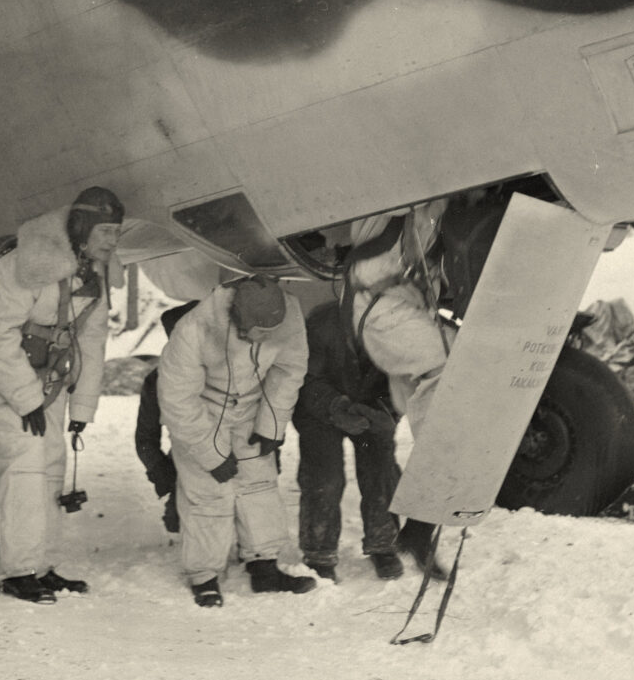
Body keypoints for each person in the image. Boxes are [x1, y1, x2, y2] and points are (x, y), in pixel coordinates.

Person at [0, 186, 124, 603]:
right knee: (26, 465)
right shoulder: (22, 268)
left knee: (50, 467)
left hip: (45, 385)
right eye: (105, 231)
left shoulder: (91, 277)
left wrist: (82, 407)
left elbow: (92, 343)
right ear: (83, 229)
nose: (112, 240)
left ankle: (41, 565)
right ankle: (19, 571)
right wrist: (25, 399)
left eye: (116, 232)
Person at [157, 275, 316, 607]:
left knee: (259, 483)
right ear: (237, 317)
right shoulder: (194, 329)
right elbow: (177, 402)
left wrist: (271, 426)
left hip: (251, 406)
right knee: (207, 493)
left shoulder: (291, 314)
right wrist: (211, 454)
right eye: (253, 333)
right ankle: (204, 575)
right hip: (202, 410)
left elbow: (289, 370)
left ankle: (264, 565)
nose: (257, 340)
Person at [342, 198, 463, 575]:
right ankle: (443, 449)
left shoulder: (432, 224)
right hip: (379, 312)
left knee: (461, 379)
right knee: (450, 371)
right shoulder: (382, 214)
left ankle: (420, 528)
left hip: (404, 314)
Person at [294, 301, 445, 582]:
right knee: (324, 478)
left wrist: (383, 413)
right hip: (319, 412)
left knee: (381, 470)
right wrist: (337, 407)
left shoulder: (401, 333)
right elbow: (307, 379)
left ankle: (383, 544)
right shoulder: (322, 325)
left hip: (370, 411)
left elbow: (404, 385)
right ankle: (319, 552)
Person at [133, 301, 199, 535]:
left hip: (234, 461)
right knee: (179, 523)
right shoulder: (157, 380)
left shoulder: (230, 367)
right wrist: (167, 479)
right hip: (186, 462)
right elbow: (145, 439)